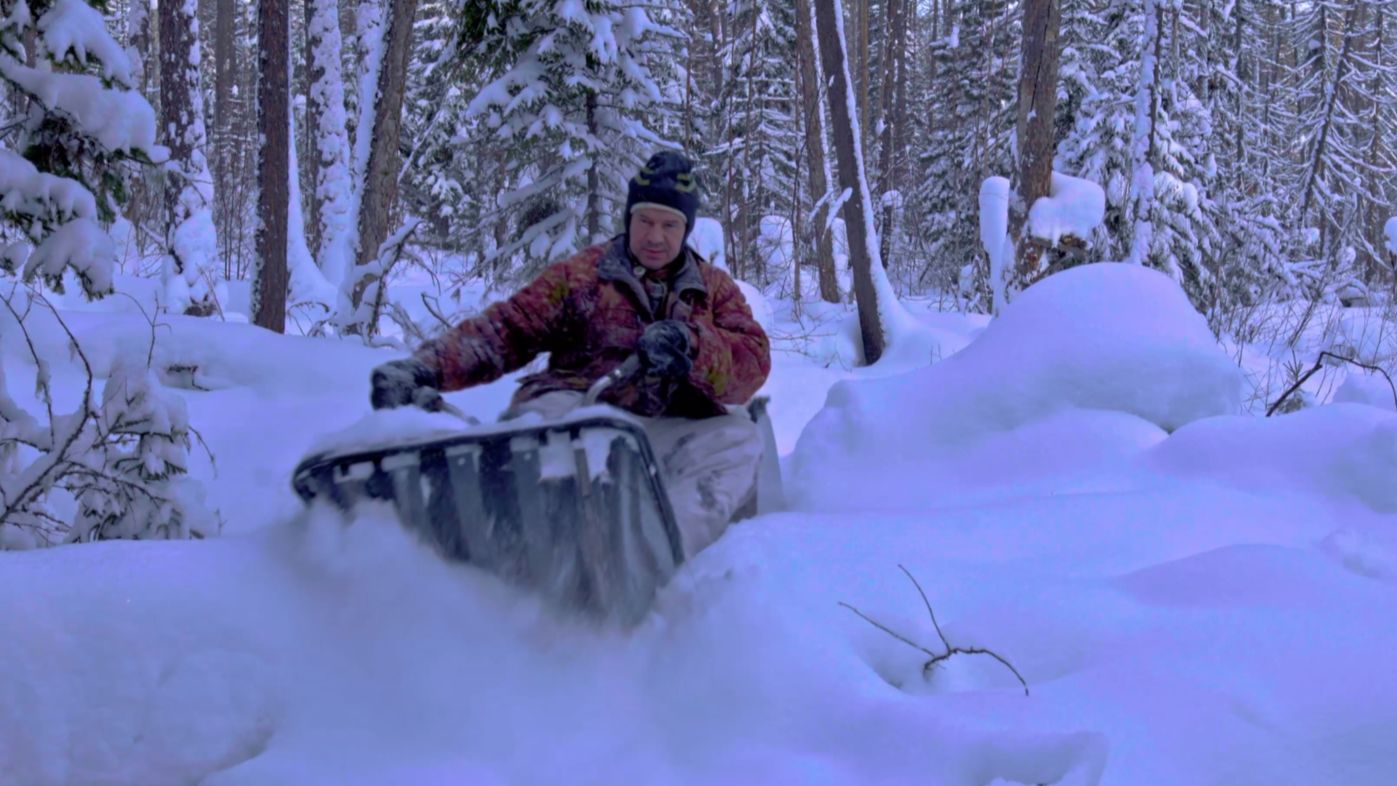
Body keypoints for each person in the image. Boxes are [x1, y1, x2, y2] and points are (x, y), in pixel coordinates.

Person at [369, 151, 772, 558]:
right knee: (534, 432)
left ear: (685, 229)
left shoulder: (713, 289)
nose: (655, 236)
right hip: (580, 406)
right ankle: (493, 538)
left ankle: (654, 561)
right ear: (629, 218)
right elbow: (507, 327)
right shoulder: (583, 275)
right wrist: (426, 367)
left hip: (667, 426)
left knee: (737, 440)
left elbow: (752, 363)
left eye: (669, 225)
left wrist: (693, 346)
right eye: (645, 220)